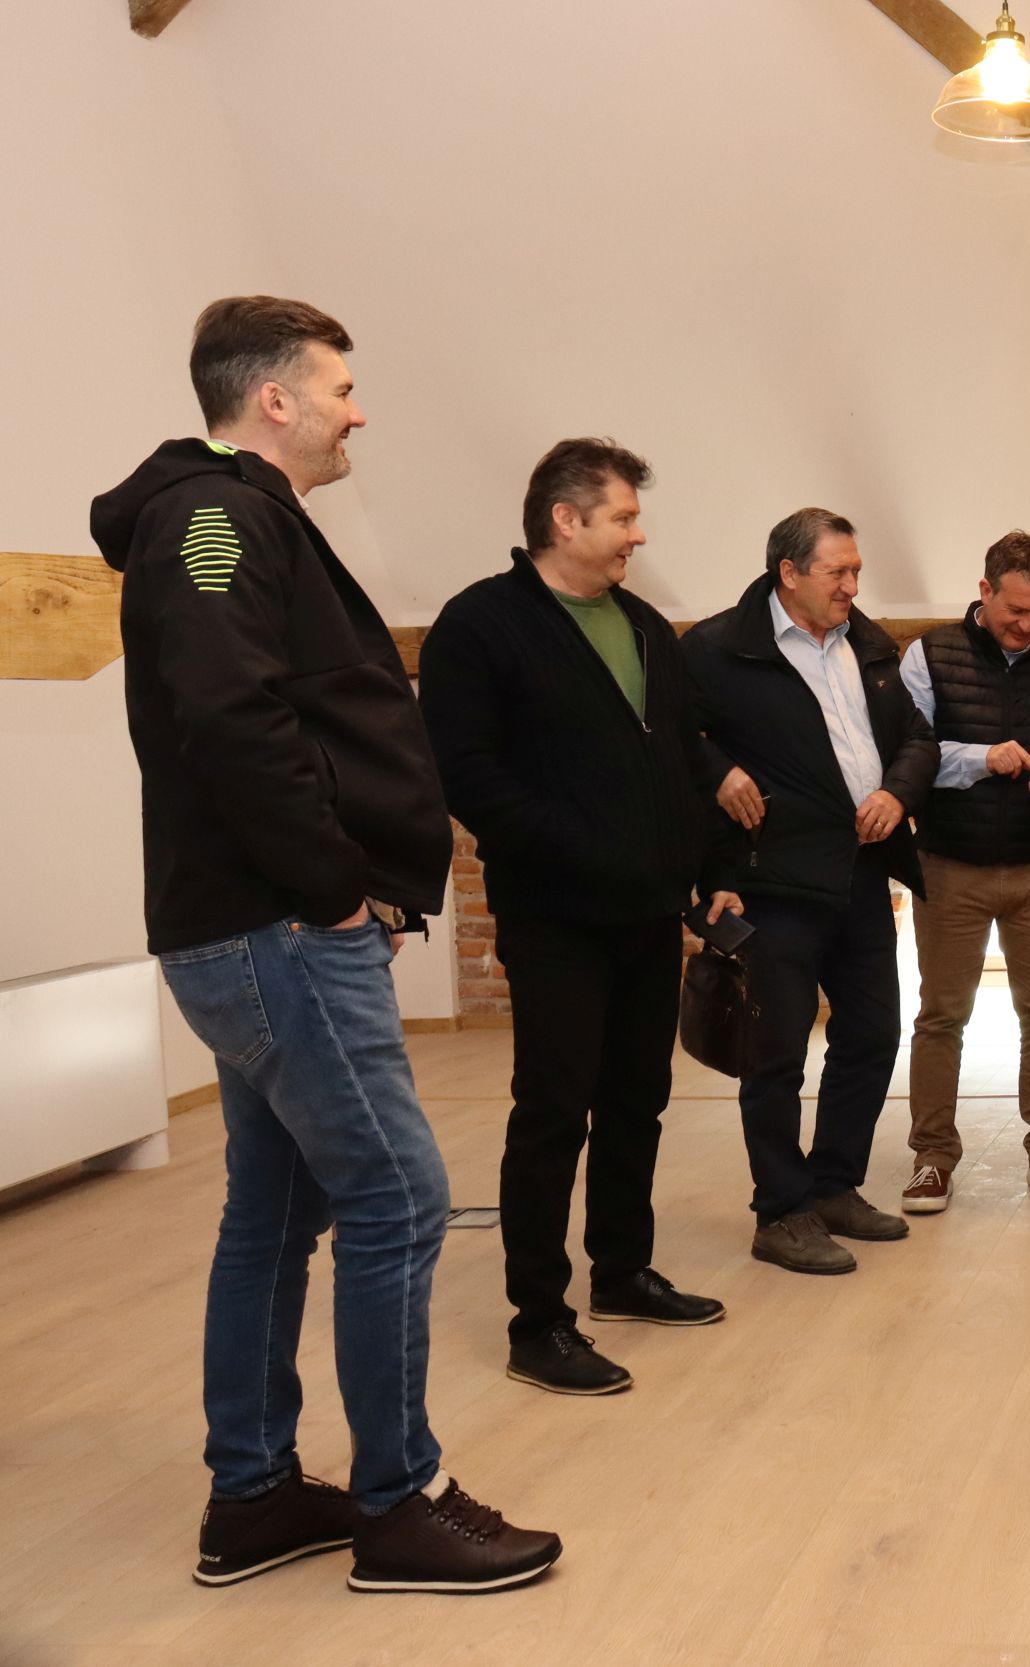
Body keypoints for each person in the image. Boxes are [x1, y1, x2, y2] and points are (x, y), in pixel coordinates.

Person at [93, 295, 558, 1592]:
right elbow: (229, 713)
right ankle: (401, 1503)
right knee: (398, 1196)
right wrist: (335, 889)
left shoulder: (236, 514)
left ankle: (250, 1497)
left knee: (277, 1207)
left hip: (266, 924)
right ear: (275, 399)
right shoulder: (212, 515)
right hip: (281, 927)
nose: (360, 410)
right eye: (340, 387)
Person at [420, 439, 740, 1397]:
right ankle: (538, 1321)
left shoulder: (643, 625)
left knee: (639, 1098)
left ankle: (622, 1272)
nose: (638, 535)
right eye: (623, 517)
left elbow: (683, 757)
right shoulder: (481, 624)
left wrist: (708, 871)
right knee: (554, 1110)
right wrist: (589, 848)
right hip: (555, 913)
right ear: (565, 520)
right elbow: (471, 777)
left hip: (648, 912)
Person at [683, 509, 936, 1274]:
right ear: (788, 573)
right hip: (774, 881)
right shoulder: (718, 649)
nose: (853, 585)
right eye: (838, 572)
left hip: (860, 872)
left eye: (856, 570)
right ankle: (781, 1211)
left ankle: (832, 1185)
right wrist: (717, 776)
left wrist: (895, 791)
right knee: (776, 1053)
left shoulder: (868, 643)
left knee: (873, 1034)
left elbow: (918, 739)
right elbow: (676, 738)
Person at [895, 531, 1030, 1212]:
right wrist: (981, 758)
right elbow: (908, 752)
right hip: (950, 866)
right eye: (1016, 610)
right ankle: (932, 1156)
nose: (1028, 626)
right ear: (984, 591)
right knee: (942, 1015)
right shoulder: (928, 655)